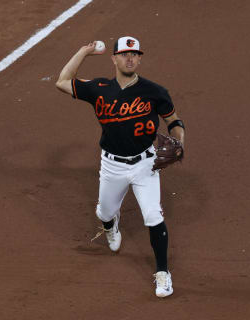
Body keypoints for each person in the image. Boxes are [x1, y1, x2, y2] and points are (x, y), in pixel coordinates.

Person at [55, 36, 185, 298]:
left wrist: (180, 142)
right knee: (104, 211)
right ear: (114, 58)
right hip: (112, 165)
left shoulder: (155, 91)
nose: (129, 58)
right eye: (124, 54)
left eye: (134, 54)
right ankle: (110, 224)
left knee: (153, 216)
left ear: (139, 59)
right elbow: (62, 81)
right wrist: (83, 51)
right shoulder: (99, 88)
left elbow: (173, 120)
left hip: (146, 164)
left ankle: (163, 273)